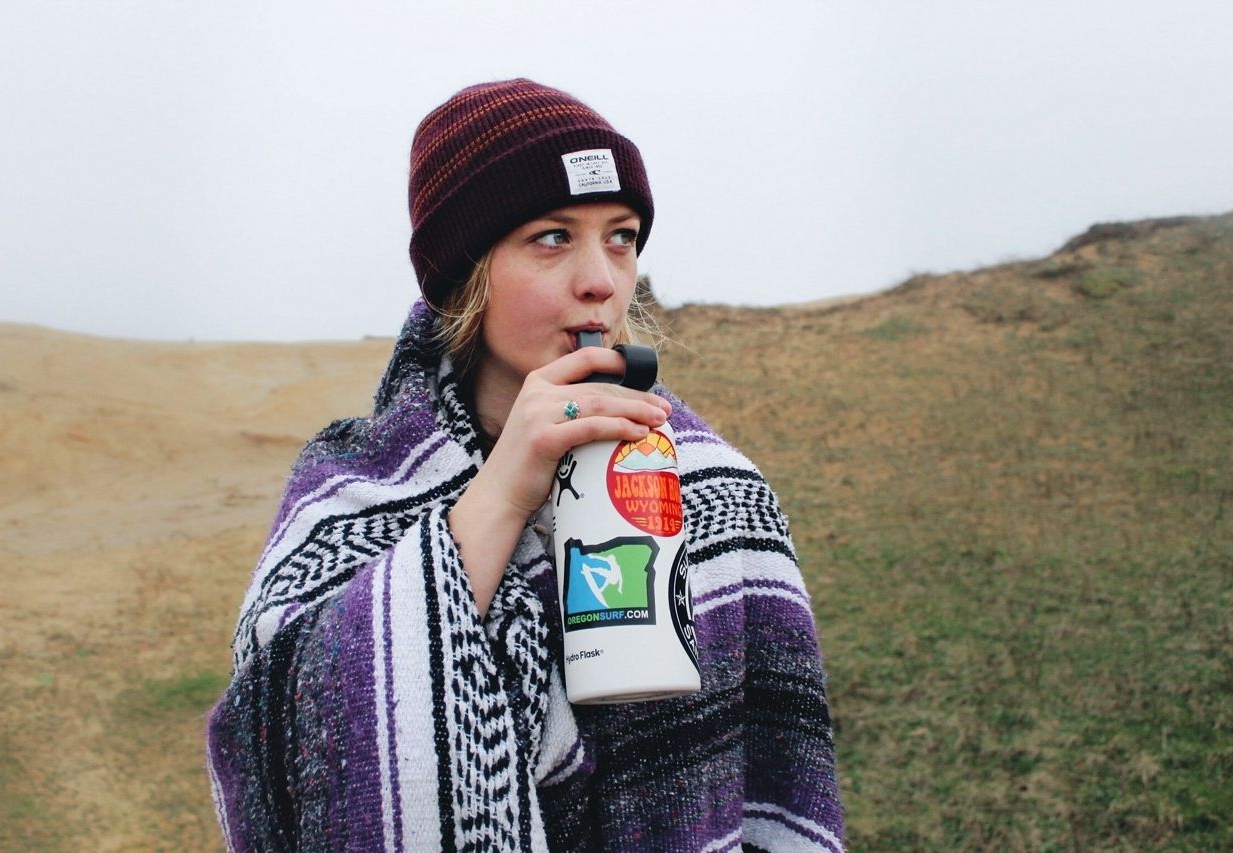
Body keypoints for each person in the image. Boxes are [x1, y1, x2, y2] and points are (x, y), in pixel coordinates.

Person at [207, 79, 843, 852]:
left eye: (622, 235)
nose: (600, 280)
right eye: (551, 236)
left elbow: (783, 785)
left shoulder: (718, 489)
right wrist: (503, 492)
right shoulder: (354, 483)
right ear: (465, 274)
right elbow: (281, 734)